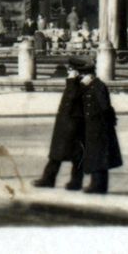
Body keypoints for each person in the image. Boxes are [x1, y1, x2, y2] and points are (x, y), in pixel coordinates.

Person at [32, 59, 88, 191]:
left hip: (73, 123)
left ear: (76, 70)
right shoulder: (77, 82)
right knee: (60, 154)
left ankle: (72, 182)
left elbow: (72, 97)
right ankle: (51, 179)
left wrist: (72, 80)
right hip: (67, 122)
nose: (68, 71)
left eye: (70, 69)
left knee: (74, 155)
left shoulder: (81, 83)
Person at [78, 64, 122, 194]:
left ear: (90, 75)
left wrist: (104, 126)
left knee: (99, 157)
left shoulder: (98, 86)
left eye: (83, 76)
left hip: (99, 127)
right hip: (93, 127)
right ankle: (96, 184)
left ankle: (98, 186)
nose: (81, 78)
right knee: (95, 156)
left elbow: (105, 107)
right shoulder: (90, 86)